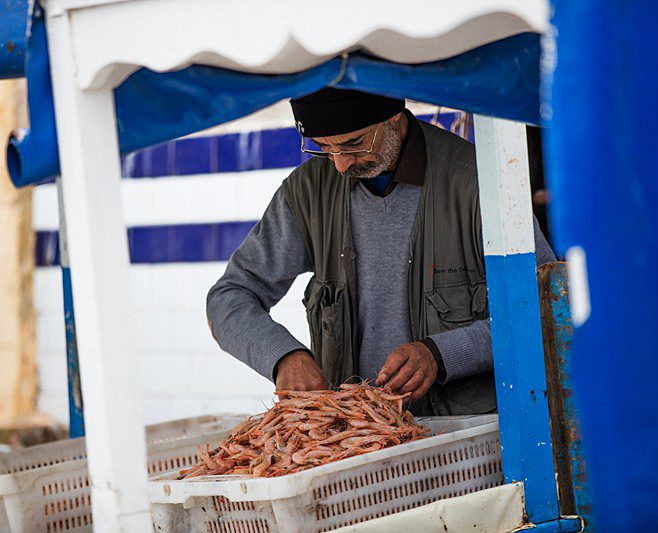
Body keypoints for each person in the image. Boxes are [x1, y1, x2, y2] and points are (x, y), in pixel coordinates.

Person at [206, 88, 555, 415]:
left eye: (354, 143)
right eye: (324, 148)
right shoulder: (306, 193)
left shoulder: (478, 184)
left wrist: (442, 354)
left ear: (393, 117)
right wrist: (282, 356)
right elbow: (228, 298)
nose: (340, 165)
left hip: (466, 443)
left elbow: (543, 309)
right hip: (356, 449)